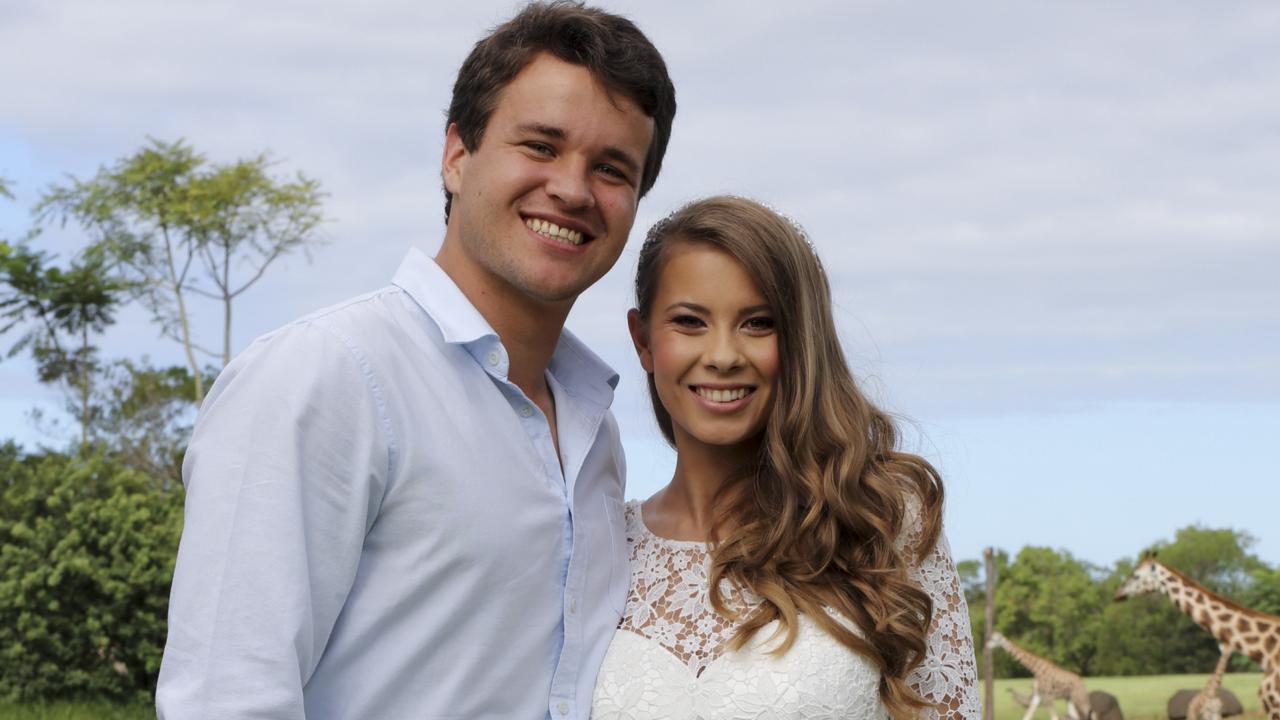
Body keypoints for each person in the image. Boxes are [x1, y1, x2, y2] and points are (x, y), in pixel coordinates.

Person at [156, 3, 676, 718]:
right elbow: (227, 698)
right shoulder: (327, 376)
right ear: (457, 155)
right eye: (541, 146)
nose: (573, 189)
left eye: (612, 168)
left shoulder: (597, 435)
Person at [591, 197, 979, 719]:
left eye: (758, 323)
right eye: (690, 321)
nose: (724, 355)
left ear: (801, 340)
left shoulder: (879, 522)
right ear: (643, 341)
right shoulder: (597, 547)